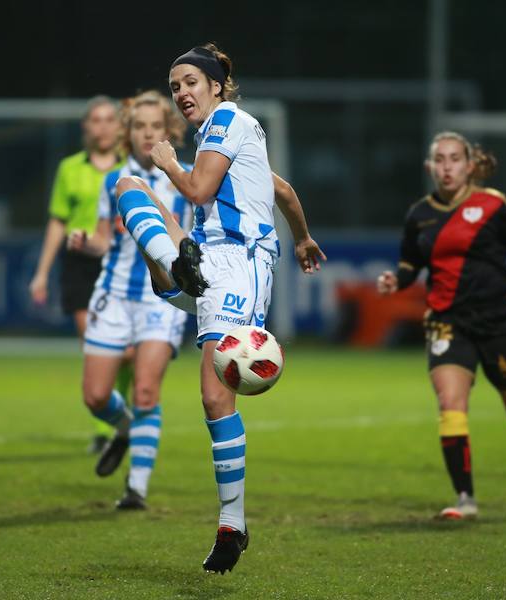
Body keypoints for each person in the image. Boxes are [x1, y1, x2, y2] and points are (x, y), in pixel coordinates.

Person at [111, 44, 325, 573]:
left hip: (239, 263)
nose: (181, 92)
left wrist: (169, 163)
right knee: (127, 185)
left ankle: (233, 524)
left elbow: (201, 188)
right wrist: (302, 238)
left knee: (213, 397)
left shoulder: (230, 119)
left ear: (216, 85)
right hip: (209, 260)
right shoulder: (221, 133)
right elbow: (283, 190)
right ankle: (175, 262)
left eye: (189, 82)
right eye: (174, 85)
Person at [376, 131, 506, 520]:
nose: (447, 166)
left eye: (455, 159)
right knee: (450, 403)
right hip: (447, 321)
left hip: (500, 321)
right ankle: (465, 499)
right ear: (429, 167)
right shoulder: (419, 215)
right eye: (440, 159)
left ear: (470, 166)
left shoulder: (491, 204)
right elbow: (410, 266)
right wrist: (395, 281)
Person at [67, 90, 192, 510]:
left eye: (156, 126)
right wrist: (86, 243)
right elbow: (106, 241)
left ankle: (136, 488)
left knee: (144, 390)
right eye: (139, 126)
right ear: (128, 132)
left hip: (164, 301)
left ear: (169, 131)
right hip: (115, 294)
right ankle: (123, 430)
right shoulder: (113, 181)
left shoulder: (187, 179)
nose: (147, 134)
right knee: (95, 397)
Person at [28, 95, 131, 453]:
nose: (102, 126)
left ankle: (123, 414)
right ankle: (103, 429)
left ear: (120, 126)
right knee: (95, 345)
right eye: (95, 120)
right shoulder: (70, 168)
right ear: (86, 127)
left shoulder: (132, 167)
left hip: (121, 259)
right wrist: (41, 273)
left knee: (126, 353)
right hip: (79, 264)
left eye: (109, 119)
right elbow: (58, 221)